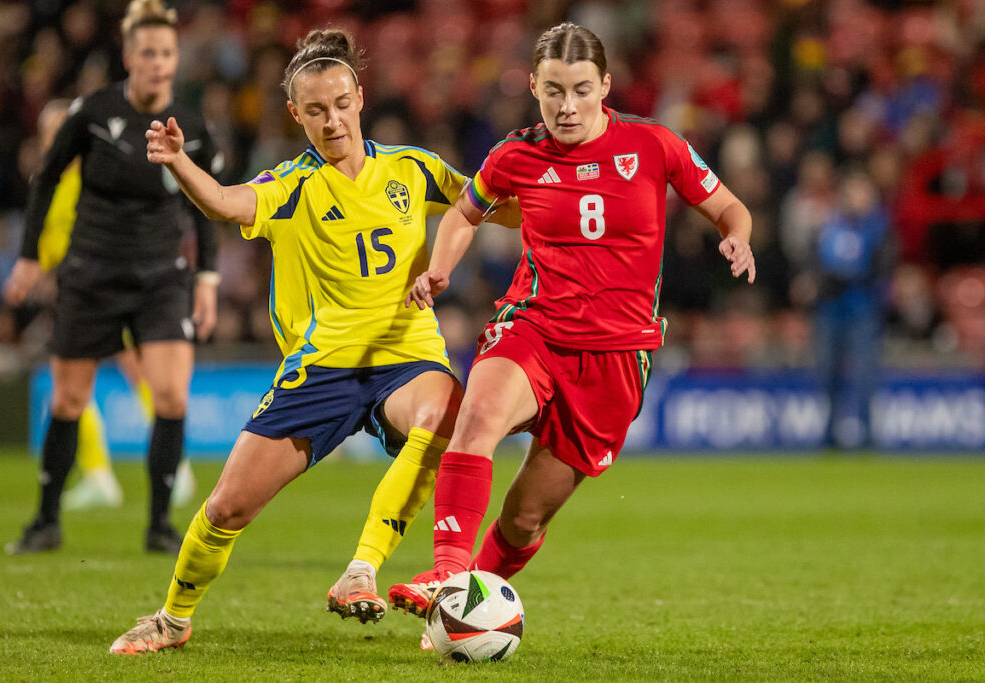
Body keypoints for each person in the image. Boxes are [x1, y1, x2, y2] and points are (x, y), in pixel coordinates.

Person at [108, 27, 519, 654]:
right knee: (225, 510)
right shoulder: (291, 185)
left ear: (360, 96)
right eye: (316, 110)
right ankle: (173, 617)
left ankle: (362, 569)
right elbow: (222, 202)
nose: (333, 120)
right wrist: (179, 160)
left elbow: (491, 202)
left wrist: (544, 182)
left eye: (341, 104)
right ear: (296, 114)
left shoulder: (413, 168)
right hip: (321, 370)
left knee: (445, 415)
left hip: (405, 356)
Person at [388, 22, 756, 625]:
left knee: (524, 518)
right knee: (477, 417)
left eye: (581, 90)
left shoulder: (655, 144)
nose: (567, 106)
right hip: (534, 326)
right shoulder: (516, 154)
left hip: (616, 355)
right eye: (553, 90)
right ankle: (448, 570)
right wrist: (440, 270)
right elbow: (463, 214)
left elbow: (727, 206)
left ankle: (459, 616)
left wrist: (736, 239)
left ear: (605, 86)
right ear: (532, 86)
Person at [3, 0, 218, 555]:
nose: (158, 63)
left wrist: (208, 278)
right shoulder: (93, 111)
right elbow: (45, 178)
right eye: (148, 52)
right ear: (129, 56)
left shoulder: (192, 126)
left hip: (162, 278)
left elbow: (209, 206)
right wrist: (29, 256)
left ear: (176, 58)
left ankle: (160, 526)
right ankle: (46, 520)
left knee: (171, 397)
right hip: (91, 272)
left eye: (166, 53)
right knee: (69, 400)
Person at [30, 98, 196, 513]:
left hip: (106, 290)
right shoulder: (65, 178)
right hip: (82, 292)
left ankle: (137, 471)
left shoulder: (88, 179)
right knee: (81, 385)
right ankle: (103, 472)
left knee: (126, 374)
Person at [813, 167, 894, 449]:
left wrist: (847, 277)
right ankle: (830, 433)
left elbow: (883, 266)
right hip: (831, 309)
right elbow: (816, 263)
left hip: (862, 308)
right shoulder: (830, 225)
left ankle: (867, 432)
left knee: (864, 374)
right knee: (828, 374)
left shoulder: (879, 227)